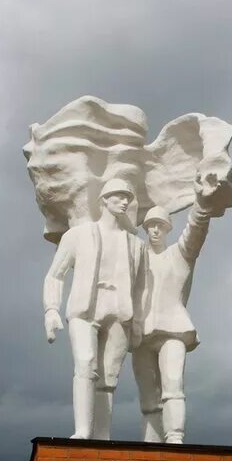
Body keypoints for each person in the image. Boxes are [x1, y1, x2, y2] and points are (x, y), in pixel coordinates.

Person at [43, 179, 146, 439]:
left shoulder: (136, 245)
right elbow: (55, 275)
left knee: (109, 378)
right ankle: (82, 431)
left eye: (127, 197)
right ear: (104, 200)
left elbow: (140, 289)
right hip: (85, 307)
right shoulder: (78, 235)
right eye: (118, 196)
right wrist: (51, 309)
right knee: (86, 364)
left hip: (120, 309)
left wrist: (137, 324)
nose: (124, 201)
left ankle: (102, 438)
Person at [131, 196, 212, 443]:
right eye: (150, 226)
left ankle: (175, 438)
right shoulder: (135, 258)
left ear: (168, 228)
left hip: (173, 331)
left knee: (173, 386)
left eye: (160, 226)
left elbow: (195, 231)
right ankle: (151, 446)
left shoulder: (180, 254)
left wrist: (204, 205)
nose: (154, 230)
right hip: (142, 333)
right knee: (148, 398)